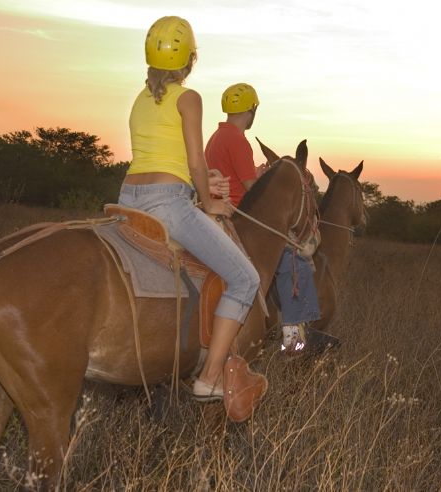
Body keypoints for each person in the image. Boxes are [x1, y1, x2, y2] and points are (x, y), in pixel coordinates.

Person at [118, 17, 261, 401]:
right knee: (246, 279)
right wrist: (211, 198)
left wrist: (203, 182)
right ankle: (210, 377)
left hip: (127, 198)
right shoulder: (189, 98)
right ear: (191, 59)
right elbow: (194, 161)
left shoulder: (140, 98)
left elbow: (166, 157)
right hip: (167, 203)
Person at [205, 83, 321, 355]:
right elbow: (248, 186)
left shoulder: (216, 137)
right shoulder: (238, 140)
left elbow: (236, 174)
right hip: (238, 213)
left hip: (218, 209)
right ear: (251, 110)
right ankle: (295, 338)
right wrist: (264, 176)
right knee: (294, 261)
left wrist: (258, 171)